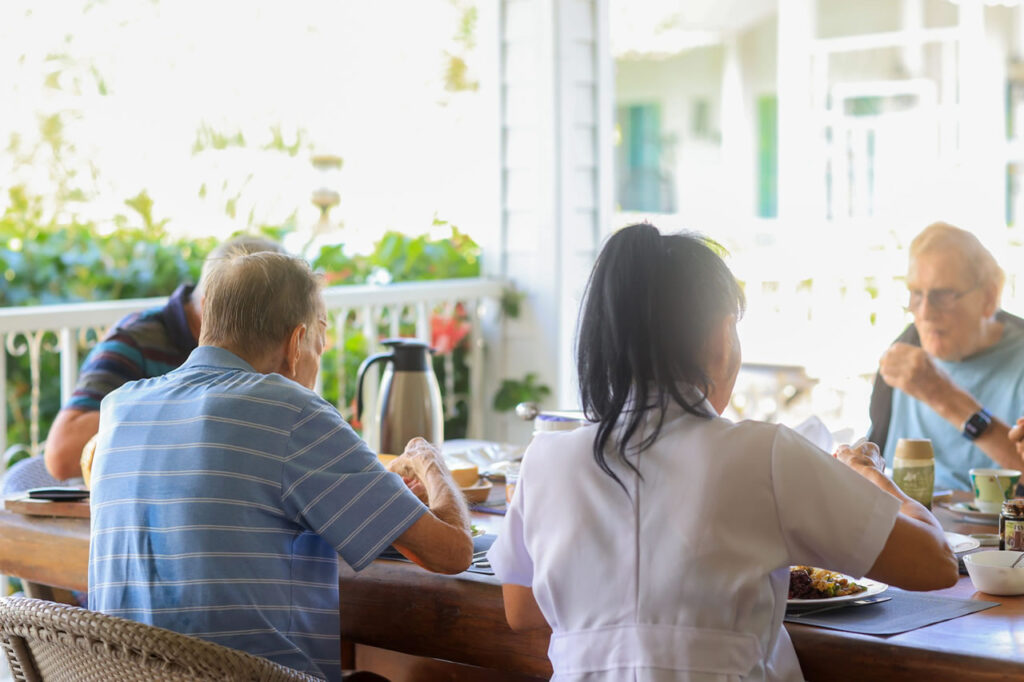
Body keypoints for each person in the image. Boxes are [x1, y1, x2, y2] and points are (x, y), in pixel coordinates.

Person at [488, 224, 957, 681]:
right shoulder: (764, 454)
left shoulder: (545, 460)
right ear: (721, 336)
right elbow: (935, 563)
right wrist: (871, 475)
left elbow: (523, 610)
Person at [88, 251, 473, 681]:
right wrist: (430, 461)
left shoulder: (120, 409)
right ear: (296, 343)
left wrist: (376, 494)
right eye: (320, 343)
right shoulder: (290, 410)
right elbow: (451, 551)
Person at [40, 234, 285, 482]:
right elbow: (63, 456)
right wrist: (176, 408)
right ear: (211, 303)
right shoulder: (137, 339)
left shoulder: (261, 348)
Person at [867, 222, 1024, 490]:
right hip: (908, 525)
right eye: (916, 294)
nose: (925, 312)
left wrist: (942, 395)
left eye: (944, 296)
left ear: (989, 297)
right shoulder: (902, 352)